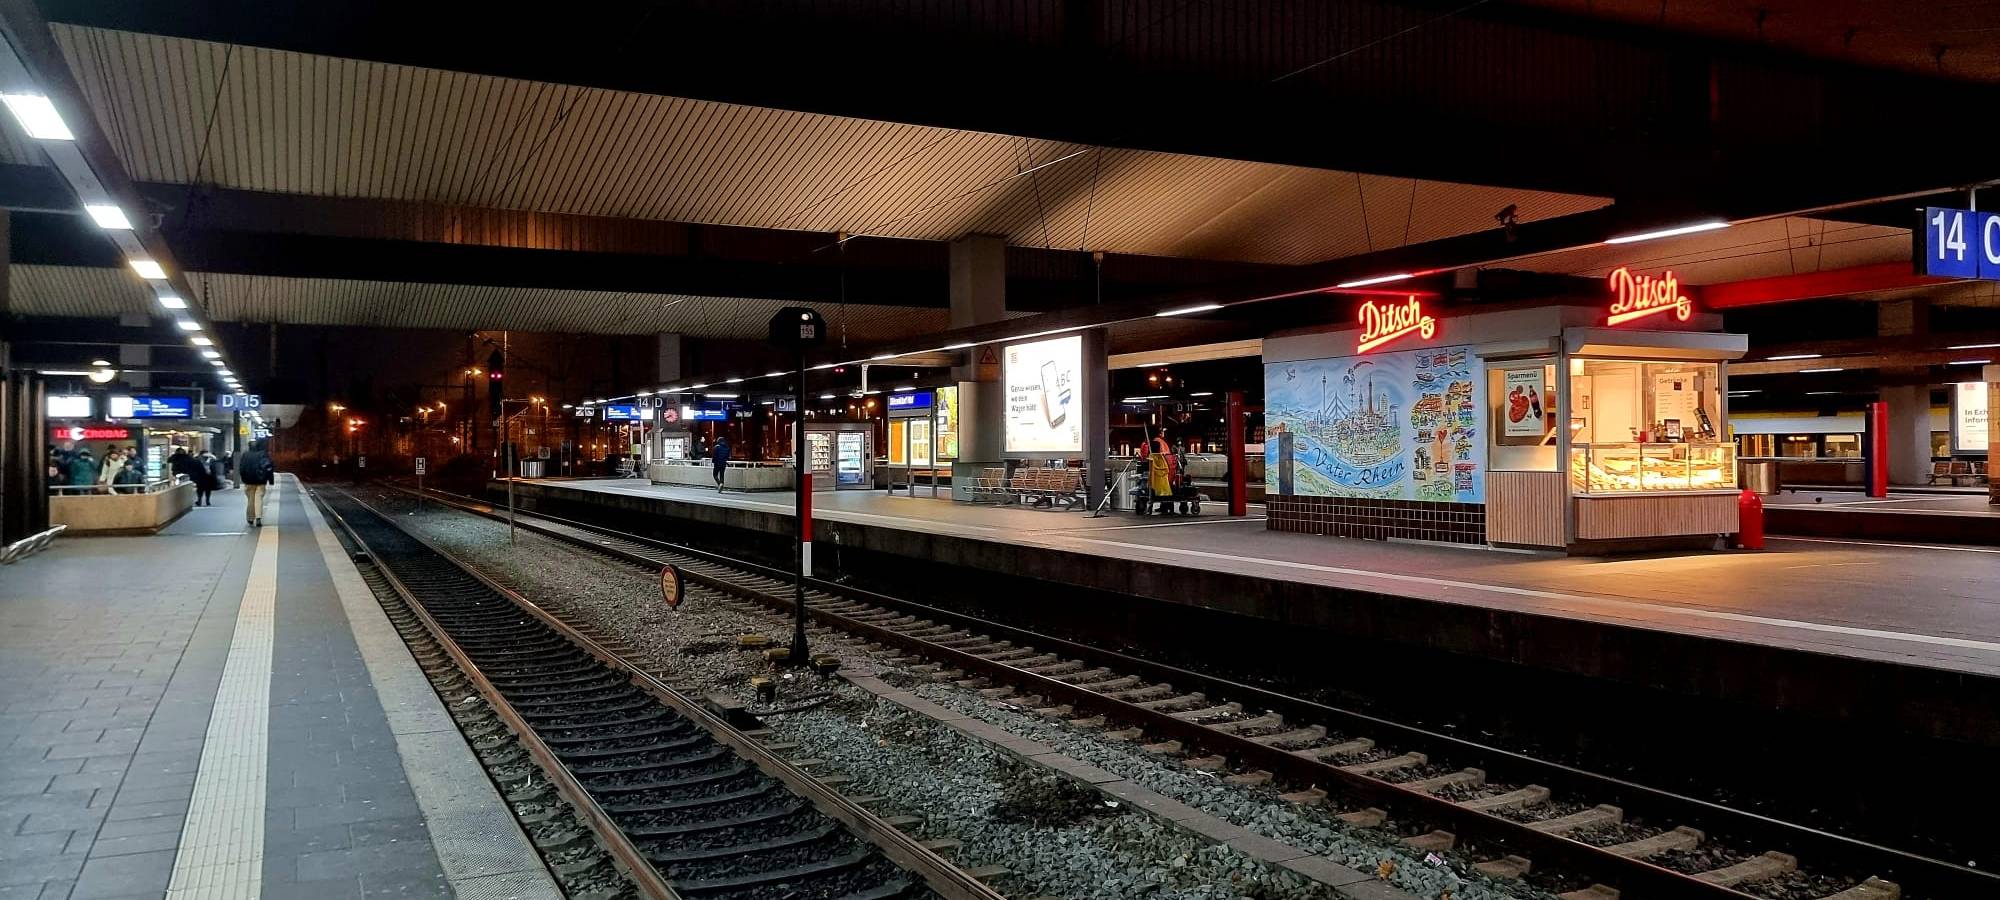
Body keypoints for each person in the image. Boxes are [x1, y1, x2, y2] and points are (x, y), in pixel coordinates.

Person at [238, 439, 274, 527]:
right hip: (260, 481)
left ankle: (250, 518)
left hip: (248, 481)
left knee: (250, 499)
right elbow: (269, 467)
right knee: (259, 498)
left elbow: (241, 468)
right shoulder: (263, 454)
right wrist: (271, 480)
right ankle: (258, 518)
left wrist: (243, 479)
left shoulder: (245, 455)